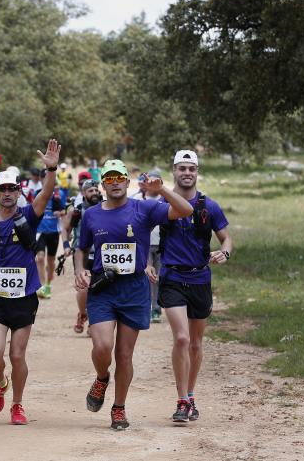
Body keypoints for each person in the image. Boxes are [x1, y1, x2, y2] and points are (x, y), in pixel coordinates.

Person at [73, 160, 192, 430]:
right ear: (103, 184)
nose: (115, 182)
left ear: (128, 182)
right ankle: (102, 377)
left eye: (120, 178)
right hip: (103, 289)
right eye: (109, 178)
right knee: (102, 347)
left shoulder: (145, 208)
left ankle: (119, 408)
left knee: (124, 355)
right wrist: (80, 270)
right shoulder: (92, 214)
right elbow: (81, 248)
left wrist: (161, 190)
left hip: (135, 289)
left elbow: (185, 210)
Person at [0, 139, 61, 425]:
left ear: (19, 192)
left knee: (17, 355)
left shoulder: (29, 217)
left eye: (12, 188)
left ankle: (17, 405)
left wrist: (51, 168)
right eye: (3, 189)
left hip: (24, 296)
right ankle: (0, 382)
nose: (7, 193)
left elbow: (46, 192)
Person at [158, 150, 232, 423]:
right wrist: (146, 262)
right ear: (174, 171)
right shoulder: (162, 204)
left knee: (196, 344)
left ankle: (190, 394)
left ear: (197, 172)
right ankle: (181, 401)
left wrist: (224, 253)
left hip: (200, 278)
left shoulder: (209, 206)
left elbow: (226, 239)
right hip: (173, 278)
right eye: (182, 168)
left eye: (191, 168)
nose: (186, 173)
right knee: (181, 338)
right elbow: (142, 233)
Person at [61, 178, 102, 333]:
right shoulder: (76, 210)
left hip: (100, 255)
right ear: (84, 193)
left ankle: (93, 322)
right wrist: (66, 246)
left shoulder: (105, 207)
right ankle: (83, 313)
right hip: (81, 254)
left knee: (99, 289)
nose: (95, 193)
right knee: (83, 288)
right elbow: (65, 229)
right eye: (91, 190)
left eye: (96, 190)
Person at [130, 169, 164, 323]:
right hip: (143, 245)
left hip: (163, 244)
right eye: (151, 182)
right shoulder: (136, 199)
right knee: (146, 277)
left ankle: (156, 308)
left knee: (158, 277)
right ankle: (145, 307)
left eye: (157, 182)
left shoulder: (165, 200)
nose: (154, 185)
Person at [35, 183, 65, 300]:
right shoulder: (39, 194)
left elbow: (64, 210)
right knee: (40, 258)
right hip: (40, 231)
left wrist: (60, 213)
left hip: (53, 232)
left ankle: (48, 285)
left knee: (51, 261)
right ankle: (41, 286)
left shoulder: (59, 194)